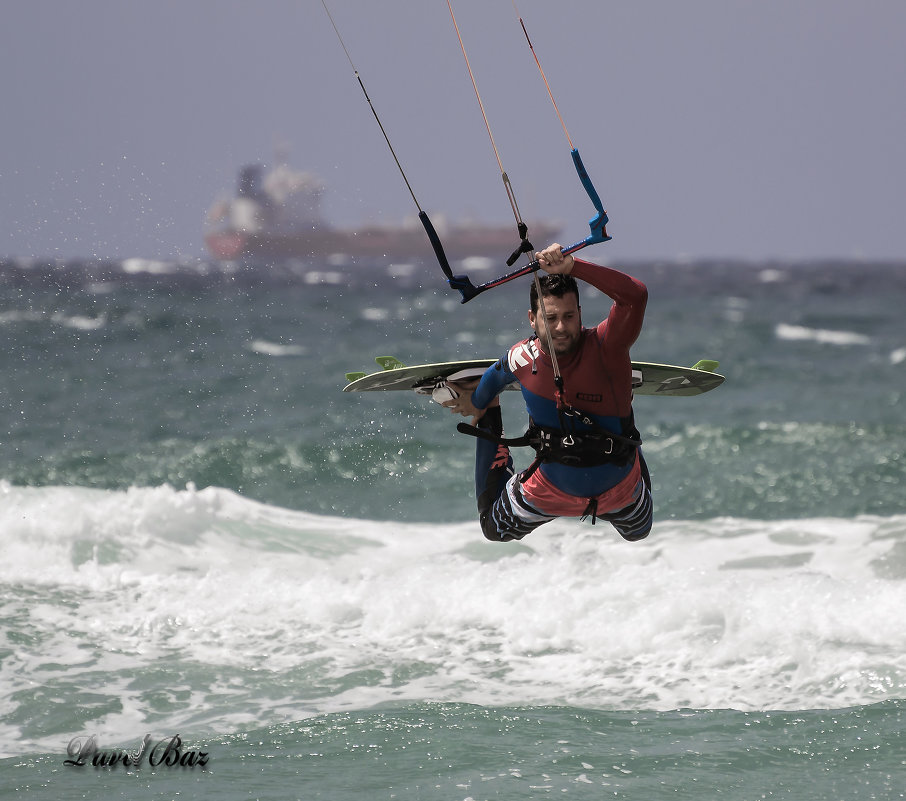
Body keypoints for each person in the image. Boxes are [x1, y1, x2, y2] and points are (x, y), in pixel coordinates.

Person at [442, 243, 652, 542]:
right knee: (492, 529)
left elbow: (635, 295)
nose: (561, 327)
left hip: (619, 491)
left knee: (639, 533)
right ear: (532, 318)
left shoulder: (607, 346)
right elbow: (492, 378)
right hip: (547, 491)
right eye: (550, 318)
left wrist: (573, 266)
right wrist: (479, 403)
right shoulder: (521, 357)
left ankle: (624, 414)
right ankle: (496, 426)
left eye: (569, 316)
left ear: (580, 314)